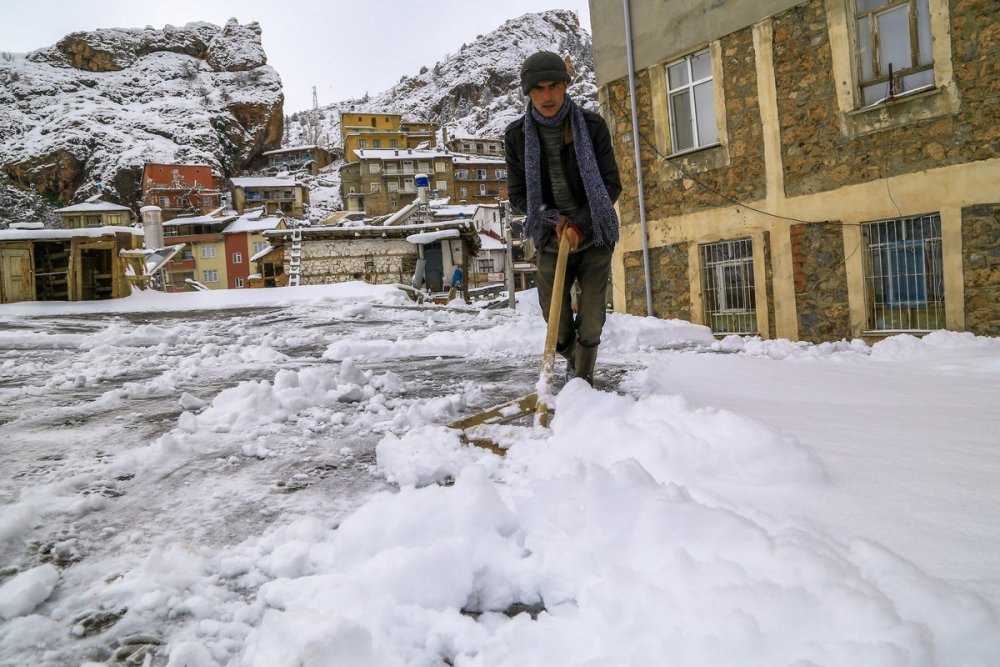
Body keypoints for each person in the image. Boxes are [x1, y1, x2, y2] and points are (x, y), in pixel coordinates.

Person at [504, 50, 622, 386]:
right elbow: (518, 195)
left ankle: (582, 382)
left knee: (592, 317)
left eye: (554, 86)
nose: (547, 96)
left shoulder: (593, 127)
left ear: (565, 86)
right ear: (528, 92)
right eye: (538, 88)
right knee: (553, 316)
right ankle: (575, 359)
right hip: (549, 235)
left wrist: (580, 225)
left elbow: (611, 184)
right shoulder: (517, 137)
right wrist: (553, 220)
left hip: (595, 231)